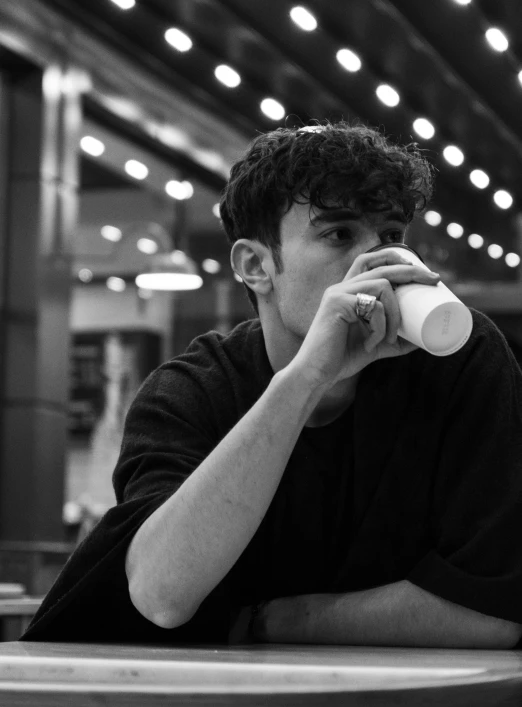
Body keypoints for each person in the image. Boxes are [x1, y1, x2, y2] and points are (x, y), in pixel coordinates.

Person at [23, 121, 522, 648]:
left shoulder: (460, 363)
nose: (379, 264)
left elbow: (490, 612)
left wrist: (266, 622)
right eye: (339, 234)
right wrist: (309, 375)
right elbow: (162, 593)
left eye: (392, 237)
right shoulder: (191, 391)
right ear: (256, 266)